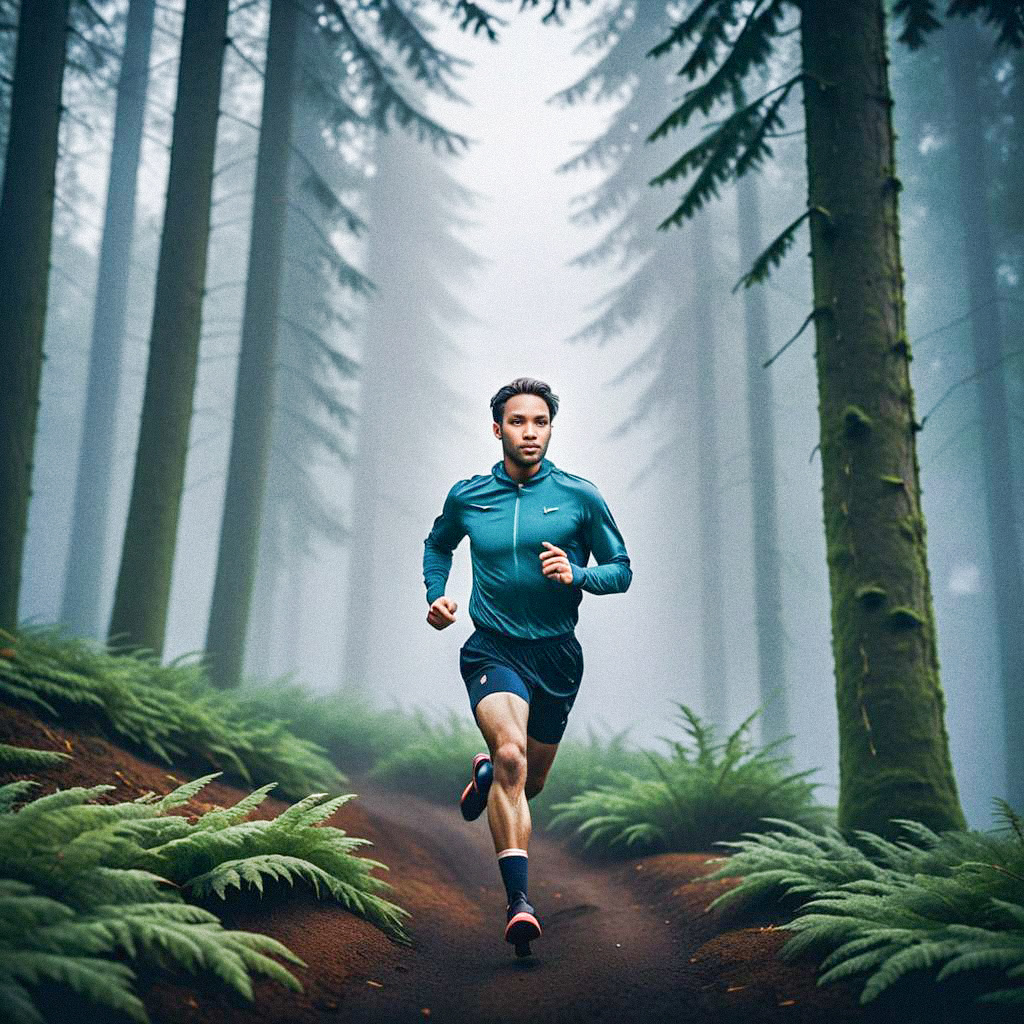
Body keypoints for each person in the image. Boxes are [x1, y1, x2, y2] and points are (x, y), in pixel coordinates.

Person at [422, 376, 632, 954]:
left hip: (557, 655)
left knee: (527, 781)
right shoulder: (468, 496)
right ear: (498, 429)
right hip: (493, 647)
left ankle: (488, 775)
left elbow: (622, 569)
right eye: (518, 421)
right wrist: (436, 595)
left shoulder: (579, 497)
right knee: (511, 753)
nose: (530, 432)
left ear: (550, 428)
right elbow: (439, 543)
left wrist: (579, 574)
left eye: (540, 421)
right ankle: (519, 904)